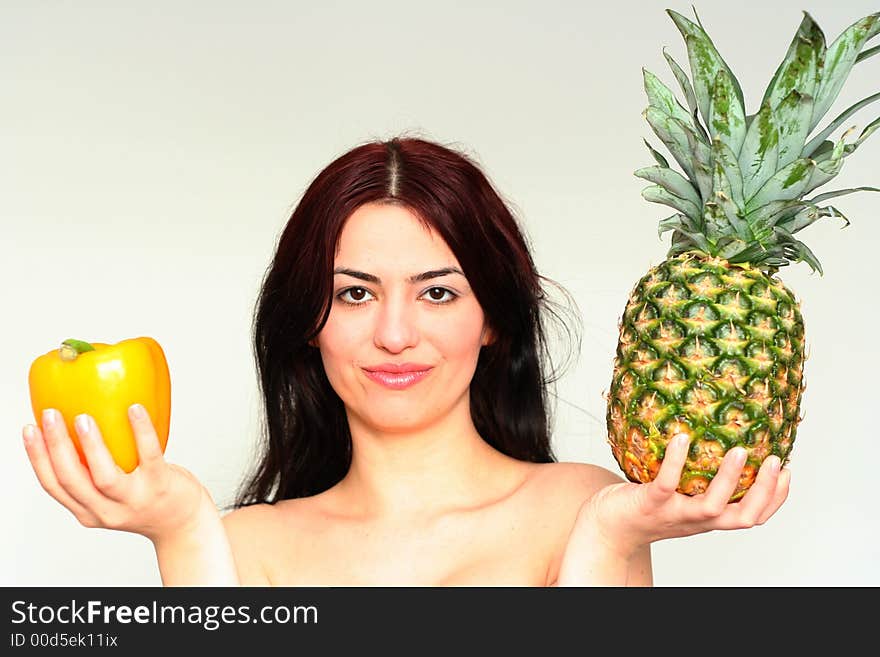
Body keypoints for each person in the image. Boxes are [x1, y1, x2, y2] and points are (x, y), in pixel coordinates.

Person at [21, 135, 790, 586]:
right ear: (308, 321)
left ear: (492, 320)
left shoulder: (583, 510)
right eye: (355, 294)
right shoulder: (243, 549)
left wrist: (607, 542)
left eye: (438, 294)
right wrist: (182, 531)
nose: (395, 334)